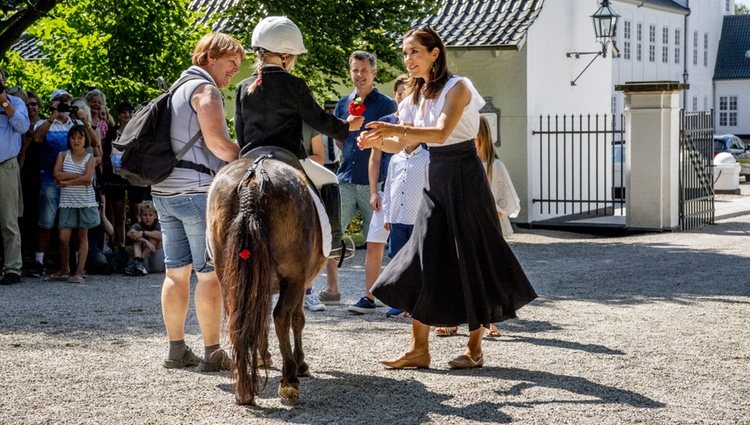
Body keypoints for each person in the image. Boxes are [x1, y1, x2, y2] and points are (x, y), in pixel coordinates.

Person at [358, 27, 537, 369]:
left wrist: (396, 129)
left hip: (465, 177)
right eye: (405, 53)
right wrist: (377, 142)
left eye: (414, 52)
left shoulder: (460, 87)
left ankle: (474, 349)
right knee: (419, 256)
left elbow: (440, 132)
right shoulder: (413, 96)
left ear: (434, 53)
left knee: (469, 259)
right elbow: (404, 144)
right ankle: (418, 349)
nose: (407, 59)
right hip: (435, 177)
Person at [234, 16, 363, 262]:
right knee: (330, 180)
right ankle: (335, 243)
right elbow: (318, 120)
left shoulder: (243, 87)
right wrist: (346, 128)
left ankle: (211, 250)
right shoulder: (294, 85)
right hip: (288, 157)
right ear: (285, 56)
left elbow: (240, 131)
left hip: (250, 158)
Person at [150, 32, 243, 372]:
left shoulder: (176, 89)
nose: (234, 70)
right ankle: (213, 352)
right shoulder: (206, 90)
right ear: (209, 58)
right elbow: (218, 145)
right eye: (231, 62)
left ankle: (176, 350)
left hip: (164, 192)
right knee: (209, 276)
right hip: (198, 194)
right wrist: (248, 157)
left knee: (175, 273)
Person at [319, 50, 397, 307]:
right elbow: (341, 138)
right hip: (345, 178)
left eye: (364, 70)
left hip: (375, 182)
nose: (359, 75)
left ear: (373, 73)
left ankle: (374, 294)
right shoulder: (343, 102)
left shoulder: (387, 105)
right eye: (355, 70)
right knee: (331, 235)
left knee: (375, 241)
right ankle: (332, 289)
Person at [347, 74, 407, 314]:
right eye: (399, 92)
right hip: (386, 189)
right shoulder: (384, 121)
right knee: (374, 242)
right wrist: (373, 191)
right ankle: (370, 295)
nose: (402, 96)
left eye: (407, 92)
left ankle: (401, 298)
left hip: (408, 190)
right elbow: (375, 158)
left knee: (403, 245)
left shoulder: (418, 123)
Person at [32, 89, 100, 277]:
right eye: (59, 101)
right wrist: (53, 116)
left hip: (76, 182)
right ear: (52, 103)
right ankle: (40, 261)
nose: (63, 105)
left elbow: (94, 143)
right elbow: (37, 139)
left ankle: (76, 264)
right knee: (46, 221)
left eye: (66, 101)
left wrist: (84, 120)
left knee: (76, 225)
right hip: (49, 178)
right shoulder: (44, 123)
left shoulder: (77, 124)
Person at [381, 140, 429, 318]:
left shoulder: (427, 159)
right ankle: (400, 302)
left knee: (417, 261)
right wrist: (387, 215)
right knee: (397, 260)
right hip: (397, 218)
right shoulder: (395, 159)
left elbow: (430, 188)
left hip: (417, 218)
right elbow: (388, 186)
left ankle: (417, 302)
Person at [49, 125, 99, 283]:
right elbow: (57, 174)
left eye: (80, 137)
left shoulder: (89, 157)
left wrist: (67, 181)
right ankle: (65, 268)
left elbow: (88, 178)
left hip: (85, 202)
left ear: (85, 140)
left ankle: (79, 271)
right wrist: (77, 175)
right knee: (63, 238)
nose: (76, 140)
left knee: (82, 236)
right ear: (69, 139)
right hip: (67, 202)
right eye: (73, 137)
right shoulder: (63, 155)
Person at [0, 69, 30, 285]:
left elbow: (22, 127)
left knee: (9, 220)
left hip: (5, 166)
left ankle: (13, 269)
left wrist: (4, 103)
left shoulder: (15, 103)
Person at [124, 200, 163, 276]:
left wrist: (143, 233)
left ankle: (138, 263)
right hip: (145, 259)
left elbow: (161, 235)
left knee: (153, 237)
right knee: (136, 239)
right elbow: (129, 234)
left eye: (150, 215)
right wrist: (145, 241)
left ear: (155, 216)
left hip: (157, 258)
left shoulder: (158, 223)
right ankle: (139, 264)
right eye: (145, 215)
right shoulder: (139, 224)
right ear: (140, 216)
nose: (147, 218)